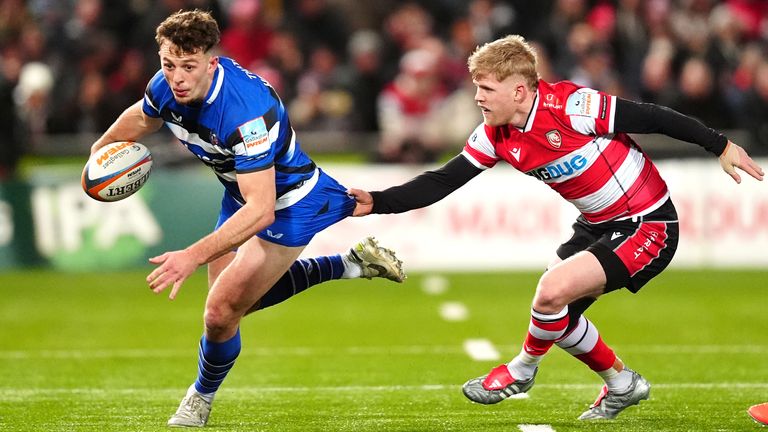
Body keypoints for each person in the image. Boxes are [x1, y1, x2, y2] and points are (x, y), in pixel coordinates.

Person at [348, 34, 764, 421]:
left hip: (648, 223)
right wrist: (378, 201)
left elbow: (653, 117)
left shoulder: (572, 107)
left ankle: (522, 370)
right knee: (553, 317)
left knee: (550, 294)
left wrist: (720, 145)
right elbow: (442, 181)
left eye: (486, 88)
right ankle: (622, 383)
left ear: (519, 91)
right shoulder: (494, 134)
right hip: (597, 225)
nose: (477, 97)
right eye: (477, 87)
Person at [88, 9, 406, 428]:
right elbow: (143, 116)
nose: (177, 77)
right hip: (243, 192)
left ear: (212, 62)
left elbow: (261, 209)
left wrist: (191, 256)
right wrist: (101, 151)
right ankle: (347, 264)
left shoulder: (245, 114)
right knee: (234, 304)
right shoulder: (166, 85)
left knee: (219, 313)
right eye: (168, 64)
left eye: (188, 66)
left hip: (291, 201)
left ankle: (199, 398)